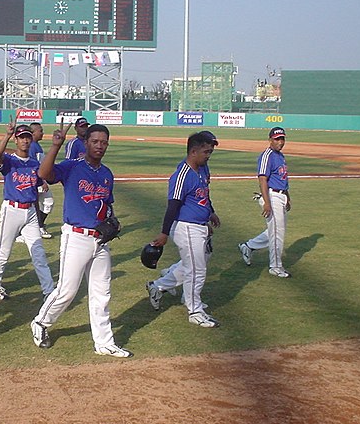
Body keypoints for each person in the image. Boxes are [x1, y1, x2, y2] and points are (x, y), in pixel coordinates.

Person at [30, 121, 132, 357]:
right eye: (95, 141)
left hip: (100, 241)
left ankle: (104, 342)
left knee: (102, 292)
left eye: (104, 142)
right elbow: (44, 174)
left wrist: (113, 222)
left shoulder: (106, 174)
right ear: (85, 143)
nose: (99, 146)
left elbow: (107, 205)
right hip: (76, 237)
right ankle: (41, 322)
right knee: (67, 290)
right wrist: (55, 146)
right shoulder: (72, 166)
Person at [148, 132, 221, 328]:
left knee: (199, 262)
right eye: (206, 151)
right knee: (197, 270)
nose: (209, 155)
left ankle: (159, 285)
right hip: (185, 227)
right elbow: (173, 206)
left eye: (211, 151)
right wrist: (164, 233)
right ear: (193, 151)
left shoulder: (203, 169)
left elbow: (204, 194)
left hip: (199, 225)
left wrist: (210, 212)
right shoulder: (182, 175)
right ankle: (194, 311)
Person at [0, 122, 55, 300]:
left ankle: (49, 290)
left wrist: (42, 184)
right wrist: (7, 135)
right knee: (4, 251)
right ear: (16, 140)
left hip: (31, 212)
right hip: (12, 210)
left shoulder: (34, 163)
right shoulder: (10, 160)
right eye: (21, 137)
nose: (25, 140)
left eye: (27, 137)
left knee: (38, 252)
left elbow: (41, 182)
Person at [238, 127, 292, 278]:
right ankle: (275, 266)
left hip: (281, 195)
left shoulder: (280, 156)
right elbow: (262, 179)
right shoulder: (267, 155)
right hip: (271, 196)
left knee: (274, 231)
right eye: (277, 139)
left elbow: (282, 179)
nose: (280, 142)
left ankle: (248, 246)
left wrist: (287, 196)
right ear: (270, 140)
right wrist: (267, 202)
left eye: (282, 139)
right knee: (277, 233)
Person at [28, 122, 54, 239]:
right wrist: (42, 181)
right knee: (42, 203)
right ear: (33, 133)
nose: (42, 133)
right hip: (37, 181)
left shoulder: (37, 145)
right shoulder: (32, 147)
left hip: (41, 179)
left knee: (46, 203)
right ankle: (38, 227)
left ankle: (39, 225)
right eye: (40, 131)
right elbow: (33, 166)